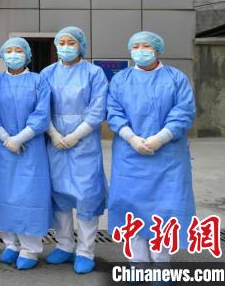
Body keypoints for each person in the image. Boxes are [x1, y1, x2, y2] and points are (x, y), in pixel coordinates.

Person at [107, 31, 196, 264]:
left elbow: (183, 111)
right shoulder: (120, 80)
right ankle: (137, 261)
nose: (141, 50)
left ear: (157, 50)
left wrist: (162, 137)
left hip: (168, 157)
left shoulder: (176, 78)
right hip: (129, 155)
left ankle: (161, 262)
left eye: (146, 46)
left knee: (165, 209)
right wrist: (131, 138)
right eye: (135, 46)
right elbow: (114, 112)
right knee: (131, 207)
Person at [41, 26, 108, 274]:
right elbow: (41, 107)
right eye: (62, 43)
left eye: (71, 43)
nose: (66, 47)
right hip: (55, 141)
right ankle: (64, 245)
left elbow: (97, 109)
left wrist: (75, 135)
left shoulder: (94, 73)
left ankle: (86, 250)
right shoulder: (47, 73)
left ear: (81, 46)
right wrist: (53, 133)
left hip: (84, 143)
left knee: (86, 195)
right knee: (59, 194)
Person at [0, 37, 52, 270]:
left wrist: (20, 138)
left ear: (27, 55)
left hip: (30, 148)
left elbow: (42, 114)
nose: (13, 54)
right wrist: (5, 137)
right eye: (9, 51)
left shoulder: (38, 81)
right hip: (3, 147)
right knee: (5, 196)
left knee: (29, 196)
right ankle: (11, 244)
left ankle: (30, 248)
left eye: (18, 50)